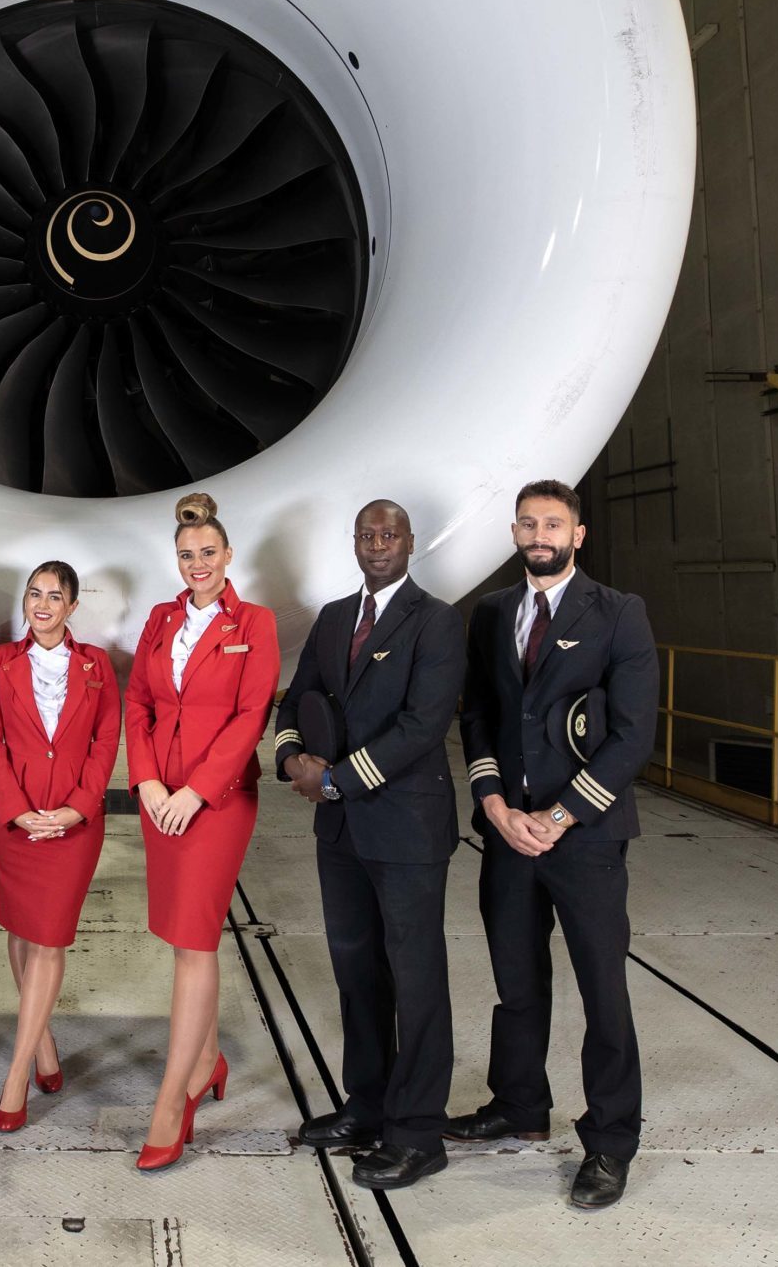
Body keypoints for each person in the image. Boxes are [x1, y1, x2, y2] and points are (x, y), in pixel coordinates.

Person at [449, 479, 659, 1211]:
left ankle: (610, 1141)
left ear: (579, 534)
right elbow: (478, 713)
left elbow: (634, 734)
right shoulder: (494, 613)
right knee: (517, 981)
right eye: (530, 523)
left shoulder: (619, 614)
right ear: (513, 533)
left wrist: (562, 815)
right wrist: (496, 803)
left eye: (554, 524)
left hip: (588, 837)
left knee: (604, 991)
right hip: (508, 833)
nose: (541, 534)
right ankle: (518, 1104)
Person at [271, 500, 464, 1190]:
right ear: (353, 543)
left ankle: (418, 1131)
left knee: (416, 981)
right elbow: (297, 698)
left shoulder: (436, 621)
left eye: (390, 534)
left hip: (405, 828)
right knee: (356, 974)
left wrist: (337, 781)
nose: (378, 544)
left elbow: (423, 723)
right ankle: (368, 1107)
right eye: (367, 534)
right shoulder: (330, 619)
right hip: (343, 832)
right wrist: (291, 755)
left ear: (409, 543)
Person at [123, 491, 278, 1171]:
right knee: (188, 938)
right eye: (186, 556)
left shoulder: (257, 623)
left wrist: (194, 790)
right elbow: (138, 703)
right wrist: (150, 783)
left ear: (228, 555)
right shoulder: (160, 619)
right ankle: (208, 1059)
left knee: (193, 942)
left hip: (216, 803)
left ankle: (172, 1099)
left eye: (207, 554)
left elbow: (250, 718)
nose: (197, 565)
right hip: (163, 803)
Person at [0, 560, 120, 1132]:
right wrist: (16, 811)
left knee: (50, 939)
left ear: (72, 607)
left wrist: (78, 807)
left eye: (54, 596)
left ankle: (14, 1076)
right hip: (16, 822)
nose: (42, 604)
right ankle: (44, 1044)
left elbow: (107, 741)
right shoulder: (0, 662)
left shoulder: (97, 666)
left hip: (73, 827)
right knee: (20, 931)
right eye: (34, 594)